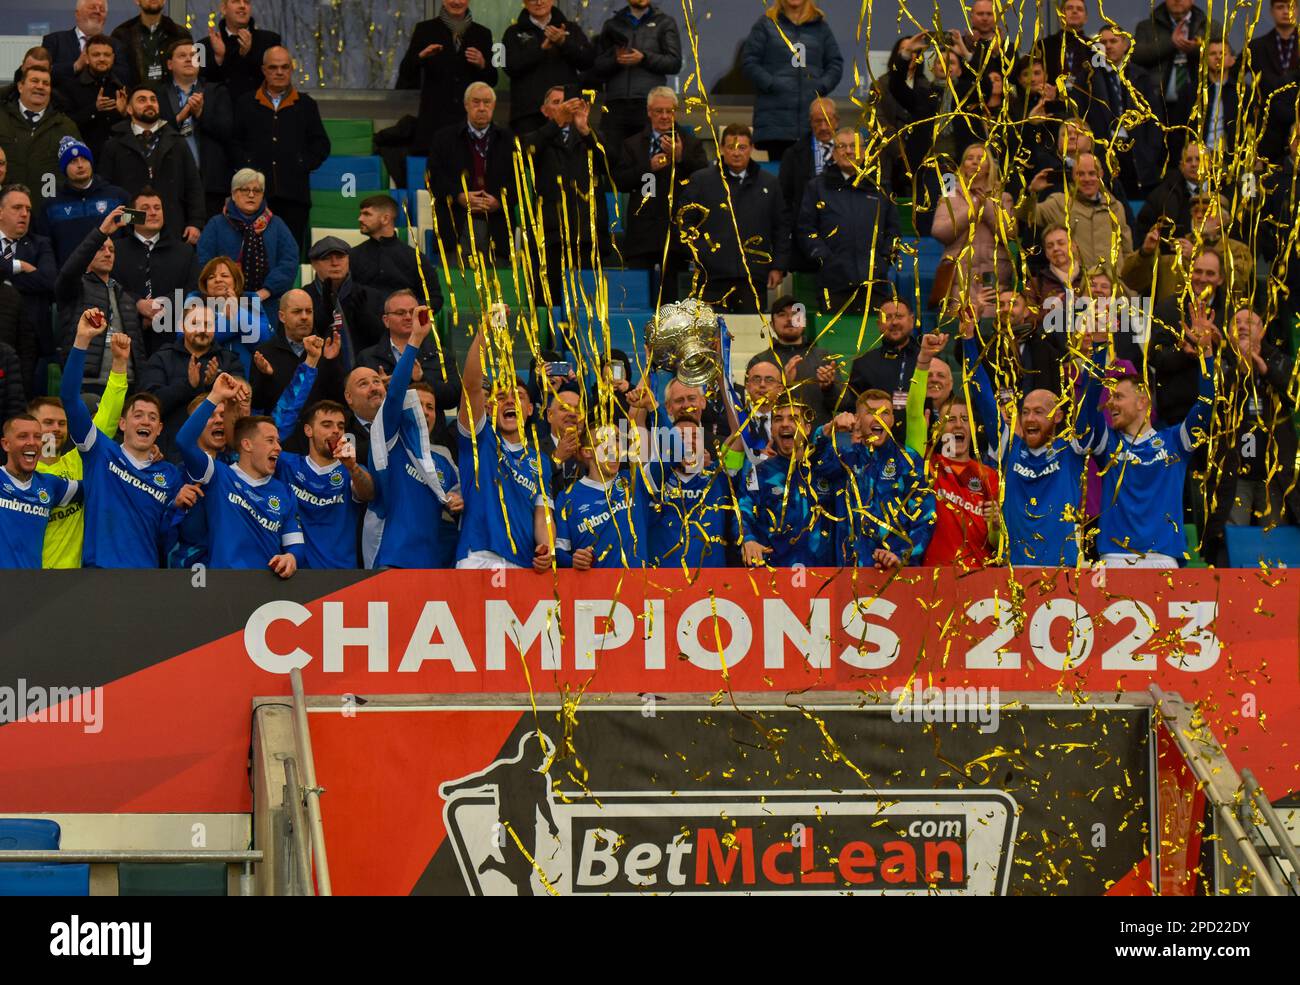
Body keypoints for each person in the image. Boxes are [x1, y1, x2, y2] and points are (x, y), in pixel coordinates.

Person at [61, 306, 200, 567]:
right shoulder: (99, 451)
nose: (145, 420)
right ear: (122, 423)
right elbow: (69, 398)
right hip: (97, 577)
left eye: (152, 417)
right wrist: (82, 340)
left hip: (143, 582)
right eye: (138, 415)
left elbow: (166, 536)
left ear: (159, 429)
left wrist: (176, 506)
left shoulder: (169, 475)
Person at [961, 323, 1105, 567]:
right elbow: (982, 394)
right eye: (1025, 412)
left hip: (1063, 573)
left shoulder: (1071, 450)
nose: (1029, 418)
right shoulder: (1010, 449)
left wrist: (1099, 349)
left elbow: (1090, 398)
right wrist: (968, 341)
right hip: (1015, 574)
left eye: (1039, 412)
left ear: (1057, 417)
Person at [1093, 335, 1216, 567]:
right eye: (1111, 398)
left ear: (1142, 402)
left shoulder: (1174, 441)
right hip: (1114, 557)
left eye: (1118, 397)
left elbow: (1205, 406)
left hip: (1162, 557)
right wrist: (1099, 349)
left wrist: (1206, 355)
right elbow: (1088, 409)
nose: (1111, 404)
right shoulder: (1107, 443)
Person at [177, 370, 303, 574]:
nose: (279, 448)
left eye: (278, 441)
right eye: (270, 441)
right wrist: (215, 396)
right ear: (247, 444)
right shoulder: (218, 475)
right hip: (224, 586)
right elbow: (184, 442)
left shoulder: (285, 492)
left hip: (267, 587)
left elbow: (295, 545)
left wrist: (291, 557)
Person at [456, 317, 553, 570]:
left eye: (518, 397)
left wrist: (547, 550)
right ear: (489, 407)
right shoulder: (480, 439)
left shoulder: (541, 461)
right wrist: (483, 335)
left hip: (522, 564)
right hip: (478, 555)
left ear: (530, 409)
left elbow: (542, 517)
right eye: (501, 396)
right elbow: (471, 387)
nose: (510, 402)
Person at [368, 303, 456, 569]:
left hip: (432, 570)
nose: (425, 412)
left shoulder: (444, 464)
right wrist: (415, 339)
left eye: (430, 407)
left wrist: (460, 501)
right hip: (391, 562)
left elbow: (461, 500)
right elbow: (395, 395)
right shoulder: (392, 443)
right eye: (418, 406)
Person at [31, 330, 129, 568]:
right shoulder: (19, 476)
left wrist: (118, 365)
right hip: (30, 580)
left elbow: (106, 418)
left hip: (74, 582)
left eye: (61, 423)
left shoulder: (78, 462)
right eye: (48, 423)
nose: (56, 429)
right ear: (32, 427)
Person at [907, 328, 1000, 569]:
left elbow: (997, 544)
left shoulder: (990, 477)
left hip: (980, 580)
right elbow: (914, 414)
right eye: (951, 419)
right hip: (935, 581)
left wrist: (997, 527)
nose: (959, 424)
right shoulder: (927, 465)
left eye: (965, 418)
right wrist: (924, 359)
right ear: (937, 428)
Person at [814, 389, 935, 570]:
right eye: (870, 412)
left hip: (897, 575)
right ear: (858, 420)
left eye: (885, 413)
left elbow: (926, 517)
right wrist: (827, 429)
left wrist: (901, 555)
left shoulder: (909, 460)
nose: (878, 418)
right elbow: (812, 464)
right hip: (849, 575)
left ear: (892, 420)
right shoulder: (844, 458)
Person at [680, 124, 789, 312]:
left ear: (751, 148)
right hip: (711, 278)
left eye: (742, 147)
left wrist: (778, 266)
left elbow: (781, 228)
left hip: (753, 277)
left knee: (751, 337)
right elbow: (684, 221)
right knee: (711, 338)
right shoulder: (701, 181)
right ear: (721, 149)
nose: (736, 153)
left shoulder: (770, 183)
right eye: (731, 147)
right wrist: (701, 252)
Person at [611, 86, 707, 301]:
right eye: (658, 111)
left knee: (672, 301)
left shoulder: (691, 144)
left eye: (669, 111)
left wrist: (681, 158)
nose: (664, 116)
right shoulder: (632, 144)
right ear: (649, 112)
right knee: (638, 299)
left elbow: (705, 180)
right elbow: (620, 181)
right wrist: (648, 167)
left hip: (676, 236)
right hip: (642, 235)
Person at [231, 46, 331, 253]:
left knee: (289, 253)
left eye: (284, 67)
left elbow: (321, 144)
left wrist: (301, 163)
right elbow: (234, 143)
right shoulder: (246, 103)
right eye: (273, 67)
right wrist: (248, 166)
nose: (279, 72)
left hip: (295, 198)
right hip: (254, 197)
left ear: (291, 69)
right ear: (264, 70)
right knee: (254, 254)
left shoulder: (306, 105)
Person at [521, 85, 611, 304]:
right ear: (544, 110)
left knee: (585, 306)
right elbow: (525, 157)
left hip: (586, 236)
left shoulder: (591, 138)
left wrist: (585, 130)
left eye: (567, 102)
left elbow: (612, 167)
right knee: (548, 301)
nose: (563, 107)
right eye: (556, 102)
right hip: (550, 234)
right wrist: (555, 125)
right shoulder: (535, 137)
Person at [797, 127, 898, 313]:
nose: (849, 151)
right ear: (834, 153)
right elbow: (806, 229)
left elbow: (893, 231)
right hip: (833, 283)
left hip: (875, 284)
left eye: (854, 146)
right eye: (842, 146)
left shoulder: (881, 187)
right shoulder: (817, 187)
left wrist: (882, 261)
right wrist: (826, 260)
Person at [53, 208, 147, 397]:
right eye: (101, 248)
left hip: (126, 385)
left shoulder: (125, 297)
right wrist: (102, 232)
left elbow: (138, 350)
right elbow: (69, 272)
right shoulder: (74, 288)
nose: (108, 253)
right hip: (88, 385)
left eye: (112, 250)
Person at [739, 385, 834, 567]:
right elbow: (742, 512)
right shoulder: (756, 472)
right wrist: (748, 539)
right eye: (778, 419)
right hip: (773, 577)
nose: (785, 424)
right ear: (772, 429)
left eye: (793, 418)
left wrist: (824, 437)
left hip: (824, 578)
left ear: (807, 428)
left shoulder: (825, 468)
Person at [274, 399, 375, 568]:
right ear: (308, 430)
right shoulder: (287, 464)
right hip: (295, 573)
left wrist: (352, 467)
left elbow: (369, 493)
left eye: (340, 426)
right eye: (327, 425)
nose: (336, 431)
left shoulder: (352, 471)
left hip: (341, 574)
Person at [97, 83, 203, 242]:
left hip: (172, 226)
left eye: (153, 100)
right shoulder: (114, 144)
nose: (149, 103)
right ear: (129, 109)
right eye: (141, 100)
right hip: (128, 229)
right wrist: (131, 220)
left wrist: (195, 222)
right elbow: (105, 188)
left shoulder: (177, 141)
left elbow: (193, 184)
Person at [741, 0, 843, 161]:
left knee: (812, 181)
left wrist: (821, 86)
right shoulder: (766, 25)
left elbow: (835, 64)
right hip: (775, 124)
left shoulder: (821, 28)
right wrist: (772, 84)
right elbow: (749, 62)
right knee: (782, 182)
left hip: (811, 125)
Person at [427, 82, 516, 267]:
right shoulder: (444, 138)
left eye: (487, 102)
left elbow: (519, 182)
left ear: (493, 106)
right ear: (466, 105)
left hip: (497, 227)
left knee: (498, 290)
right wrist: (459, 195)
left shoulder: (509, 140)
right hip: (456, 224)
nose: (481, 108)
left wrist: (499, 201)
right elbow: (434, 177)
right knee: (459, 289)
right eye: (476, 102)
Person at [142, 299, 244, 458]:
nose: (202, 329)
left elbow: (240, 406)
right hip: (171, 452)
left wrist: (212, 386)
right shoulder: (162, 358)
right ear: (182, 326)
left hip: (218, 455)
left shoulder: (230, 361)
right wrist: (188, 385)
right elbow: (150, 403)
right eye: (195, 323)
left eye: (208, 324)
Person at [395, 0, 498, 156]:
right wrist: (421, 57)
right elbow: (405, 74)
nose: (456, 2)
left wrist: (483, 64)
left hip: (469, 123)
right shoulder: (425, 30)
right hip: (434, 122)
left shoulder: (482, 33)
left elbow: (492, 81)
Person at [111, 187, 200, 356]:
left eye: (157, 208)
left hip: (174, 342)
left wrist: (162, 307)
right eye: (145, 209)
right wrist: (137, 304)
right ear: (131, 215)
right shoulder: (115, 251)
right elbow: (109, 285)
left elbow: (193, 288)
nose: (153, 213)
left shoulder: (185, 252)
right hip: (126, 341)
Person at [554, 420, 655, 569]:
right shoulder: (567, 497)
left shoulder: (636, 480)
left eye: (617, 440)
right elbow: (559, 552)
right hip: (594, 590)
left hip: (638, 588)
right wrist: (573, 561)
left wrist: (654, 409)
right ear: (587, 451)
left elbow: (674, 454)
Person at [196, 169, 298, 317]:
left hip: (266, 303)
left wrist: (266, 291)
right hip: (221, 305)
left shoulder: (276, 224)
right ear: (233, 194)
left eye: (257, 190)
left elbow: (290, 261)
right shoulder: (216, 224)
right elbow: (203, 261)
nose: (251, 195)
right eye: (244, 189)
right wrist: (221, 291)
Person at [155, 38, 235, 221]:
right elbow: (152, 133)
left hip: (210, 185)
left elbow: (227, 132)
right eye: (182, 56)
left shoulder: (216, 91)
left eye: (193, 55)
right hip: (170, 185)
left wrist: (201, 114)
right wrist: (179, 118)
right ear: (169, 64)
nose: (188, 59)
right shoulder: (157, 95)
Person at [1132, 0, 1220, 165]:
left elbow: (1224, 57)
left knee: (1195, 161)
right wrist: (1170, 44)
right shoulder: (1147, 26)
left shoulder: (1210, 26)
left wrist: (1196, 49)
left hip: (1199, 107)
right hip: (1158, 106)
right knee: (1161, 161)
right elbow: (1135, 55)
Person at [930, 142, 1016, 310]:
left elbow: (1009, 234)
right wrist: (973, 207)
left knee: (991, 329)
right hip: (959, 278)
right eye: (970, 158)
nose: (975, 162)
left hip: (993, 275)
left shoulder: (1003, 197)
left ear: (989, 166)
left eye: (981, 158)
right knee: (960, 328)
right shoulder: (950, 195)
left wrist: (987, 204)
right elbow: (939, 232)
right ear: (963, 165)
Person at [591, 0, 683, 151]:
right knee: (613, 161)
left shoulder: (664, 22)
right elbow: (598, 66)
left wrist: (644, 58)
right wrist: (615, 60)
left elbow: (674, 63)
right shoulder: (612, 24)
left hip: (649, 105)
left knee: (648, 161)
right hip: (616, 105)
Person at [1019, 151, 1132, 271]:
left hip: (1110, 286)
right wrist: (1031, 192)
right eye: (1080, 174)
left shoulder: (1116, 207)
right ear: (1072, 176)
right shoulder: (1059, 203)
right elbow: (1026, 215)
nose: (1087, 179)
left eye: (1092, 173)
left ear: (1101, 174)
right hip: (1077, 285)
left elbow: (1127, 251)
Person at [251, 289, 345, 434]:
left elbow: (339, 399)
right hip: (281, 440)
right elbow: (257, 403)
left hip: (319, 438)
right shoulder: (265, 353)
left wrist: (331, 363)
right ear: (282, 316)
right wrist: (265, 376)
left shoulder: (327, 348)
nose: (304, 317)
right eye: (297, 312)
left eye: (309, 311)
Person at [1088, 23, 1164, 198]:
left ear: (1125, 44)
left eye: (1113, 41)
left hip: (1139, 154)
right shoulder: (1090, 80)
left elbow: (1155, 120)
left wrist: (1151, 151)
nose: (1108, 46)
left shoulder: (1141, 77)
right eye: (1103, 42)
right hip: (1105, 154)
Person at [501, 0, 596, 137]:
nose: (539, 2)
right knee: (530, 157)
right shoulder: (513, 32)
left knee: (566, 157)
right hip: (528, 114)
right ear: (524, 2)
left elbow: (588, 61)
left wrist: (563, 43)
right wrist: (540, 49)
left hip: (567, 111)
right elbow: (510, 67)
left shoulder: (570, 29)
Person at [358, 288, 461, 412]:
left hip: (430, 430)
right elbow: (354, 399)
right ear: (386, 320)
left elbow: (454, 398)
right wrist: (378, 389)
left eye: (413, 312)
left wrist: (422, 379)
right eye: (400, 313)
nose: (408, 317)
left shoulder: (441, 355)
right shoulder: (367, 357)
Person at [0, 413, 80, 568]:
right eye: (23, 436)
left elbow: (97, 488)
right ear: (6, 444)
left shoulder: (51, 485)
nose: (32, 442)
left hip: (33, 586)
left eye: (37, 437)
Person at [35, 135, 129, 266]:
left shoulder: (119, 196)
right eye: (73, 161)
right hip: (69, 280)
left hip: (113, 278)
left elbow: (134, 234)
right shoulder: (51, 206)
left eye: (84, 159)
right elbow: (44, 249)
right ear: (64, 168)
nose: (80, 165)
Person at [0, 185, 58, 395]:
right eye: (17, 207)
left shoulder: (40, 244)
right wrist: (20, 266)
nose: (24, 214)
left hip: (29, 343)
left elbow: (48, 281)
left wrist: (5, 278)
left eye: (28, 209)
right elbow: (36, 279)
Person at [748, 295, 838, 423]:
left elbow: (844, 404)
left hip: (818, 439)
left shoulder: (824, 358)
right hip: (775, 438)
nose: (790, 319)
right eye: (782, 314)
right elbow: (753, 406)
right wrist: (783, 385)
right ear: (772, 325)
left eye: (796, 314)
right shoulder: (760, 362)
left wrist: (829, 388)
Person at [350, 194, 444, 317]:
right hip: (363, 327)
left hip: (406, 328)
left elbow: (435, 299)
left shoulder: (415, 258)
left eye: (367, 214)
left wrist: (406, 311)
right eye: (361, 214)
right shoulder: (353, 255)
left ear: (385, 219)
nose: (360, 219)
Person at [0, 65, 81, 204]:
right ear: (20, 86)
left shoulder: (66, 126)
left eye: (46, 83)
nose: (40, 86)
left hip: (49, 212)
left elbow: (79, 167)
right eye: (35, 81)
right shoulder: (2, 119)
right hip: (7, 211)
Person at [842, 296, 919, 441]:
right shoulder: (863, 363)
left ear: (911, 320)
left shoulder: (928, 361)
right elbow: (852, 406)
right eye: (887, 318)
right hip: (875, 445)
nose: (894, 322)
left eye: (899, 316)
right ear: (879, 325)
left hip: (919, 443)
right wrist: (828, 389)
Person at [778, 96, 839, 271]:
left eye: (827, 120)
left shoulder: (852, 153)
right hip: (804, 244)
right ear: (810, 123)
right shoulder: (793, 155)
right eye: (818, 121)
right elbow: (785, 199)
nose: (823, 127)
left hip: (842, 241)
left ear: (836, 121)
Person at [303, 235, 384, 358]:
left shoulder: (370, 296)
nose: (335, 263)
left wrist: (367, 319)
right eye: (327, 258)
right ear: (314, 264)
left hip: (364, 371)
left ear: (348, 260)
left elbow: (384, 341)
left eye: (340, 257)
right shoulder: (302, 298)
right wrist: (324, 316)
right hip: (318, 369)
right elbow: (297, 340)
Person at [191, 253, 272, 373]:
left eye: (224, 275)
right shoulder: (195, 301)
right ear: (205, 284)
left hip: (246, 378)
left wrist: (237, 312)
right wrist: (233, 322)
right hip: (206, 376)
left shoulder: (250, 300)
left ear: (235, 281)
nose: (218, 280)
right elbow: (186, 338)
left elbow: (265, 340)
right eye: (211, 277)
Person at [54, 33, 126, 160]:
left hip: (117, 158)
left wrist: (124, 113)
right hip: (82, 157)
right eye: (96, 55)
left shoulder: (121, 87)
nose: (102, 59)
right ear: (86, 58)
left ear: (113, 58)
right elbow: (65, 124)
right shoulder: (70, 87)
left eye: (107, 55)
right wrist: (94, 109)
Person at [197, 0, 283, 103]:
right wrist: (219, 58)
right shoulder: (202, 46)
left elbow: (277, 81)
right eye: (236, 1)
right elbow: (198, 86)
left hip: (259, 112)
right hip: (220, 114)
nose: (242, 6)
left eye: (246, 2)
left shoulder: (270, 41)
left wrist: (248, 55)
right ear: (224, 9)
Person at [1249, 0, 1300, 164]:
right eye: (1280, 7)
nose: (1286, 11)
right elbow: (1232, 75)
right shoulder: (1257, 47)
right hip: (1269, 134)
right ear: (1271, 11)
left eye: (1291, 7)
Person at [43, 0, 129, 87]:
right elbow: (44, 71)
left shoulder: (116, 45)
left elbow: (124, 76)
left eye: (102, 9)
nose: (97, 11)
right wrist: (75, 66)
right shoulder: (54, 40)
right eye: (92, 7)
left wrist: (100, 66)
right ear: (77, 14)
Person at [1135, 141, 1204, 243]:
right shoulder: (1163, 195)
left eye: (1199, 159)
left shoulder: (1225, 191)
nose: (1194, 164)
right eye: (1188, 160)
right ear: (1181, 166)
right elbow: (1143, 229)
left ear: (1210, 164)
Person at [111, 0, 189, 86]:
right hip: (133, 96)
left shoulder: (179, 34)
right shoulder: (122, 34)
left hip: (171, 97)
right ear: (137, 1)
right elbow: (116, 75)